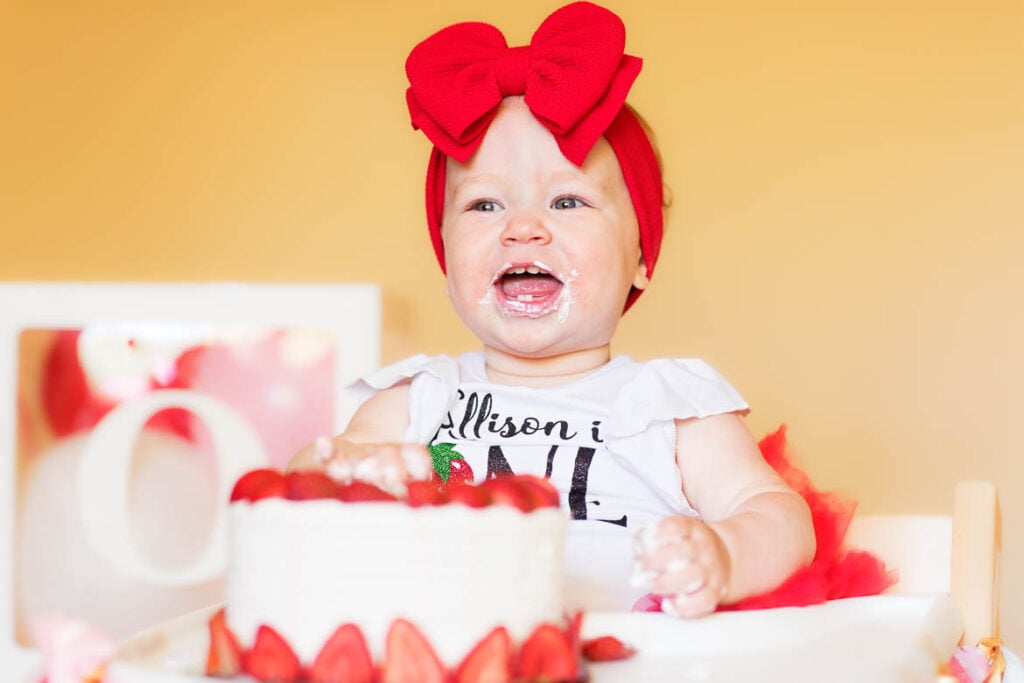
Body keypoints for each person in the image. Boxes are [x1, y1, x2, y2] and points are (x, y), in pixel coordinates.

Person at [290, 1, 815, 619]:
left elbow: (779, 516)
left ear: (642, 257)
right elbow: (303, 481)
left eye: (568, 201)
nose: (523, 228)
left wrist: (724, 553)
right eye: (484, 206)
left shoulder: (668, 410)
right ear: (447, 261)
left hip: (631, 658)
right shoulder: (421, 401)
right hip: (453, 649)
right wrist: (357, 471)